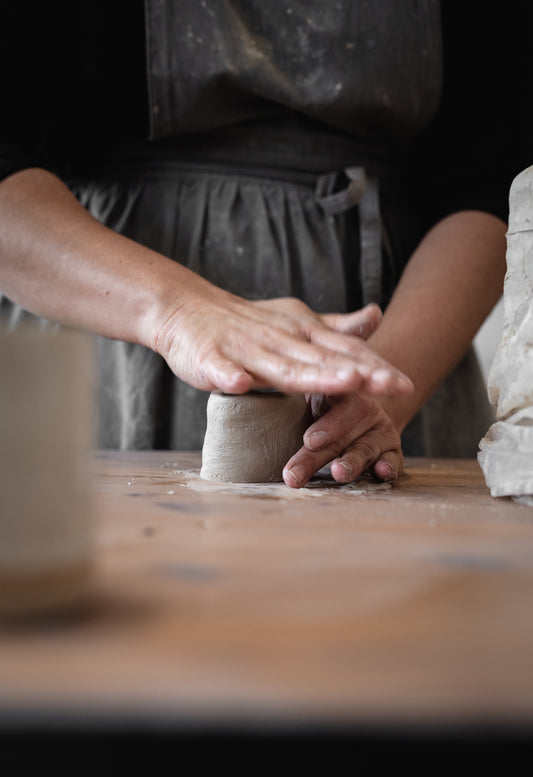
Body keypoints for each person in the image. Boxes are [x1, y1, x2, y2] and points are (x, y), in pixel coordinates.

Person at [0, 2, 528, 488]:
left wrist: (375, 388)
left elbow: (492, 177)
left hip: (408, 327)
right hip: (97, 307)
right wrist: (174, 310)